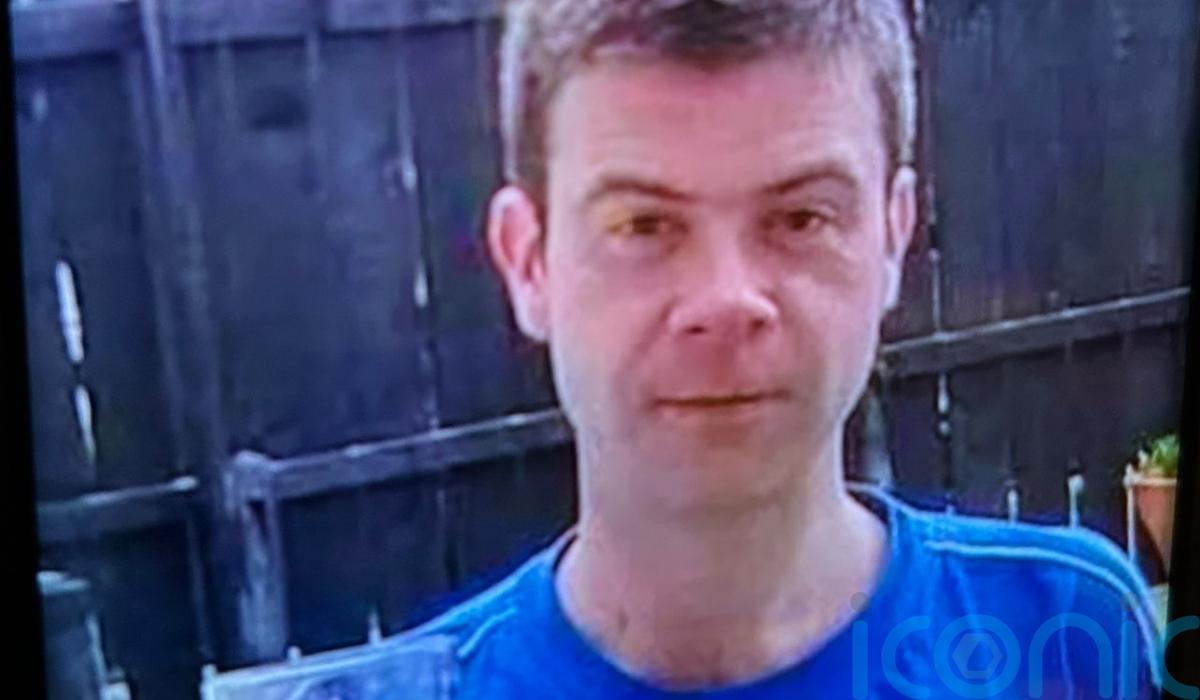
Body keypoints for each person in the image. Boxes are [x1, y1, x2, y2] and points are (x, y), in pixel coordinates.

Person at [398, 0, 1165, 697]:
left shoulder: (1070, 636)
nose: (727, 299)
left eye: (801, 218)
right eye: (642, 225)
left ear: (893, 237)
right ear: (528, 261)